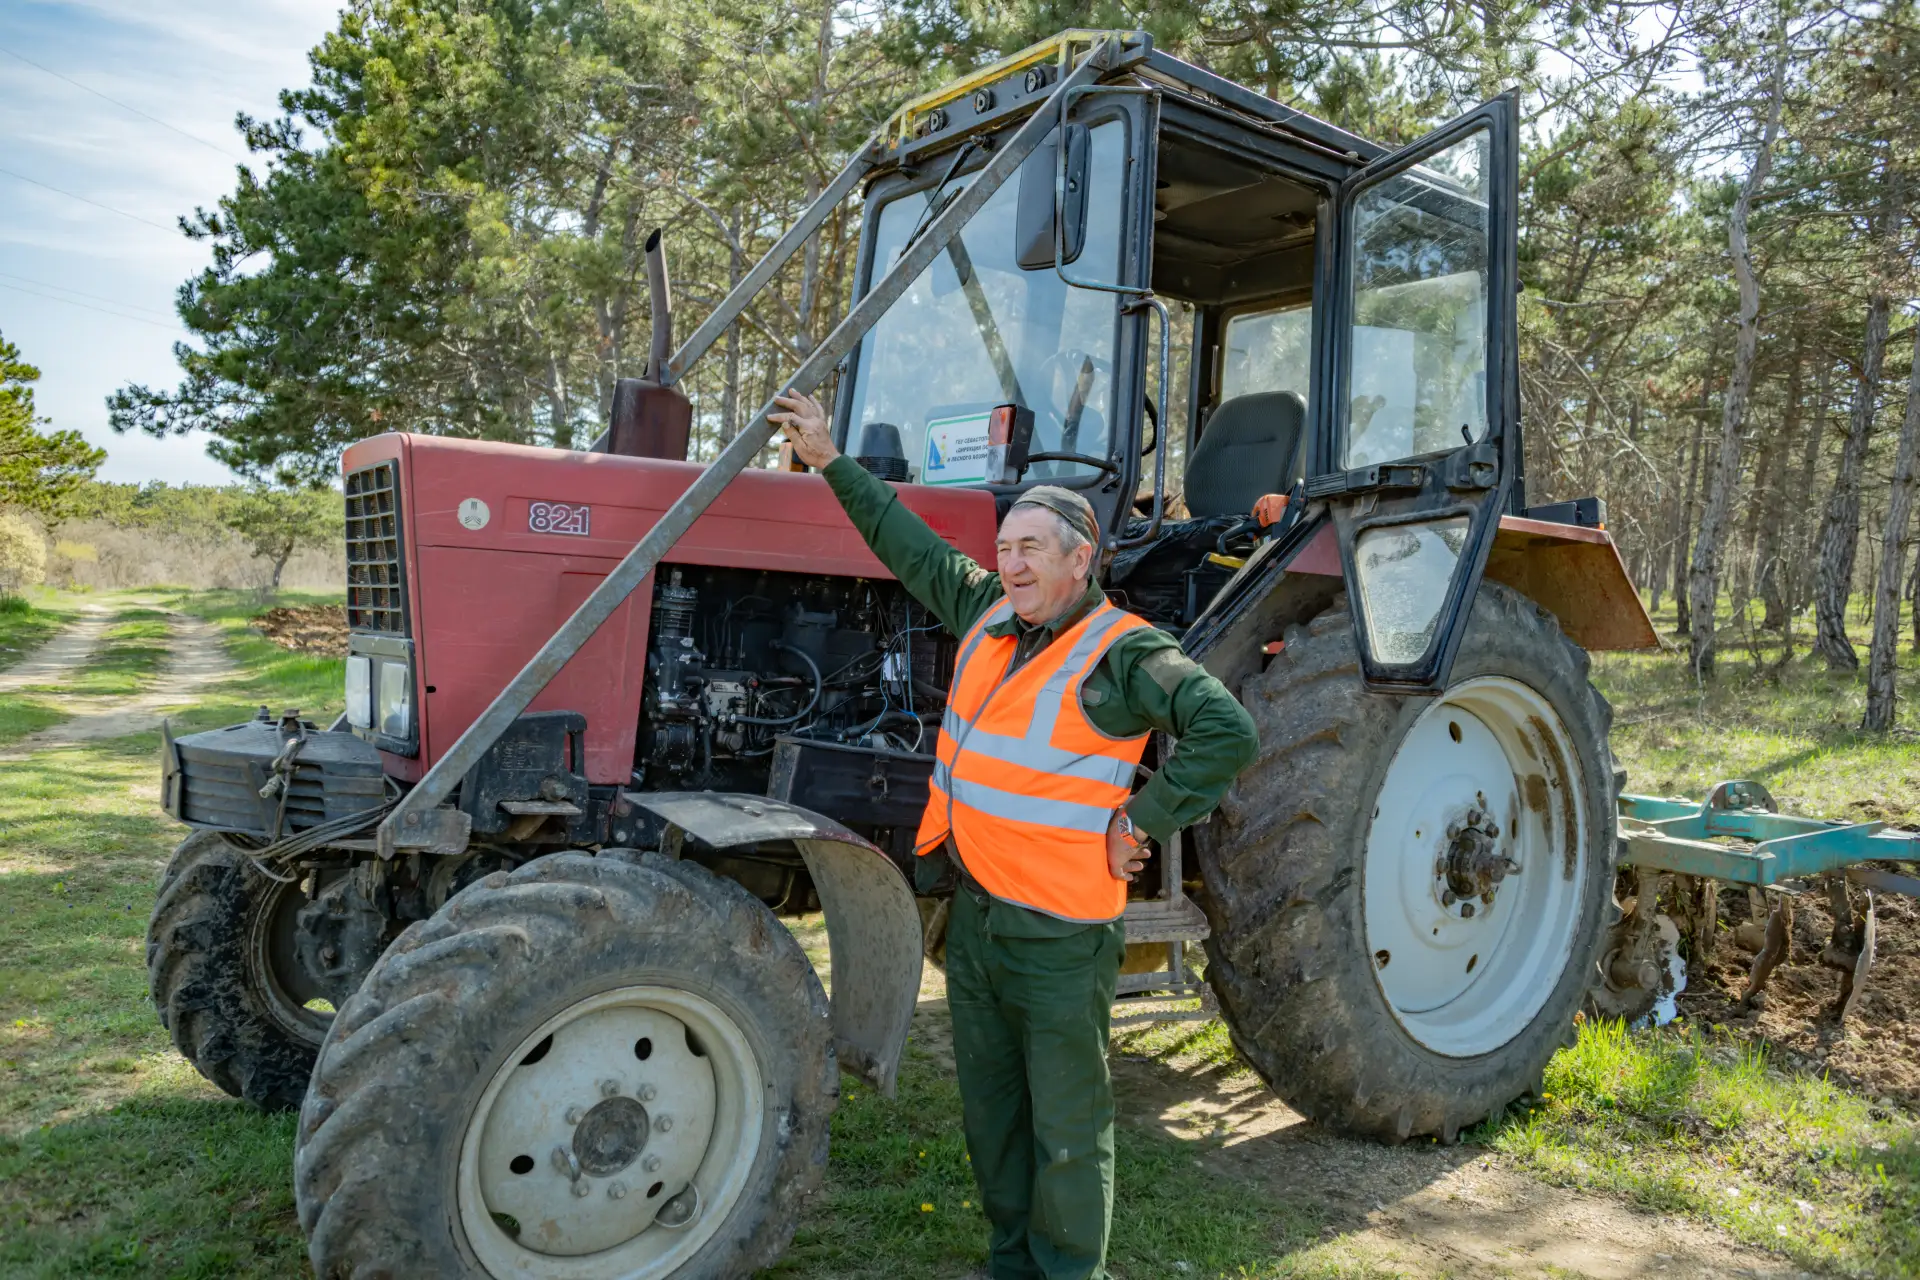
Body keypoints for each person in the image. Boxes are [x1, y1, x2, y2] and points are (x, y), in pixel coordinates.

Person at [770, 390, 1258, 1280]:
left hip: (1060, 935)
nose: (1012, 563)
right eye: (1004, 548)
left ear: (1081, 558)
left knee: (1066, 1126)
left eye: (1031, 548)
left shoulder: (1123, 651)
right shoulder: (989, 611)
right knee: (992, 1117)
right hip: (981, 920)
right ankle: (1010, 1262)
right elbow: (908, 543)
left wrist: (1139, 820)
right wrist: (832, 460)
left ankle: (1068, 1272)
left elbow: (1226, 729)